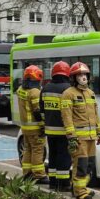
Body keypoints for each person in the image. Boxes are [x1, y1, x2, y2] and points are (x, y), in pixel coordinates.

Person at [60, 62, 100, 199]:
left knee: (90, 165)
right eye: (79, 74)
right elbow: (67, 117)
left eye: (85, 74)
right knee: (81, 165)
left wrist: (99, 132)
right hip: (79, 139)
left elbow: (96, 114)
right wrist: (71, 137)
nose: (83, 77)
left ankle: (80, 187)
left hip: (91, 138)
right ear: (73, 77)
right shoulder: (68, 94)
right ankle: (79, 192)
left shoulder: (90, 93)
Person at [41, 61, 72, 192]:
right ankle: (63, 184)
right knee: (64, 157)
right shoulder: (68, 89)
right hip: (64, 130)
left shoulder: (46, 88)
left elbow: (41, 110)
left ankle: (53, 182)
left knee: (52, 155)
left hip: (49, 130)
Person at [16, 65, 47, 183]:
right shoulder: (35, 92)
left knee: (28, 149)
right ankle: (39, 175)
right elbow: (37, 111)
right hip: (35, 127)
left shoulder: (20, 90)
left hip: (25, 127)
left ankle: (27, 173)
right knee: (38, 150)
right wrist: (43, 125)